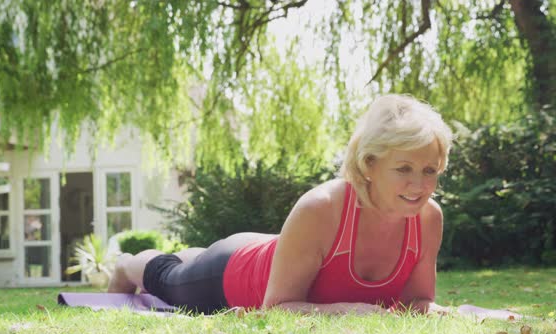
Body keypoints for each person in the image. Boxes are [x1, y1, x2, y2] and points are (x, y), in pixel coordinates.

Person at [108, 94, 453, 315]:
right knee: (171, 278)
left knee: (193, 255)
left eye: (429, 171)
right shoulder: (322, 207)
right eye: (404, 169)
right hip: (232, 272)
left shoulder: (428, 219)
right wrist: (348, 310)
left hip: (273, 249)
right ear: (369, 164)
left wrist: (435, 312)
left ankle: (192, 252)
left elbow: (415, 303)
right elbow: (277, 307)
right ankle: (128, 264)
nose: (420, 185)